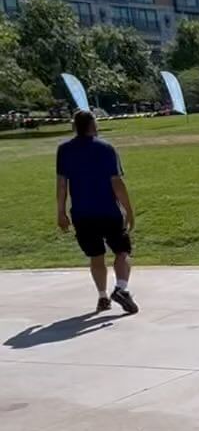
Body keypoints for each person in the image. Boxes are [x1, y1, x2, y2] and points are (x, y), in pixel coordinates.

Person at [55, 109, 139, 315]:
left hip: (82, 214)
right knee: (122, 251)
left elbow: (62, 185)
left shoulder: (64, 150)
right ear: (93, 125)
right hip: (108, 211)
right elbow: (117, 183)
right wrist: (128, 210)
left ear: (74, 126)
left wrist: (61, 212)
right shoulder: (106, 148)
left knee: (96, 256)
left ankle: (102, 297)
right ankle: (121, 289)